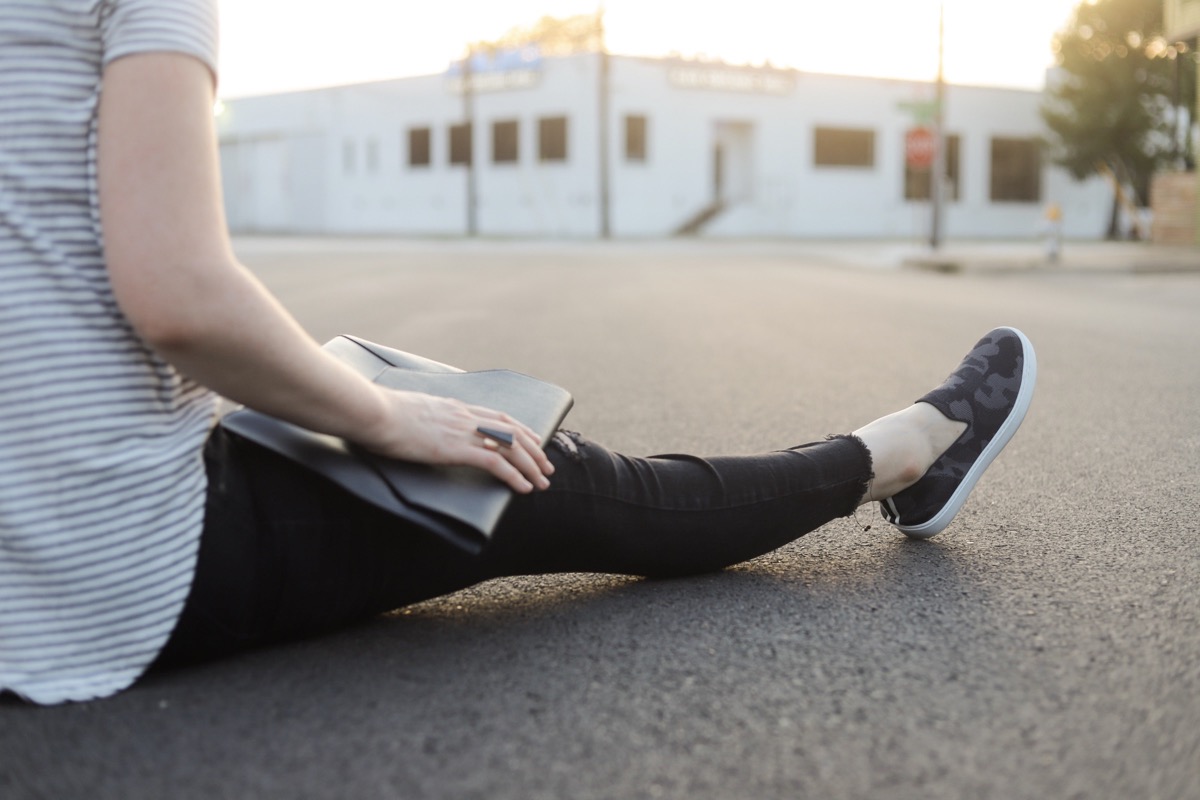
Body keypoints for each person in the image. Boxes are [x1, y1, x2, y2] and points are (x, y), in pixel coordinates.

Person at [0, 0, 1036, 705]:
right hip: (92, 559)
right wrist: (383, 415)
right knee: (538, 467)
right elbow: (179, 296)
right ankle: (899, 453)